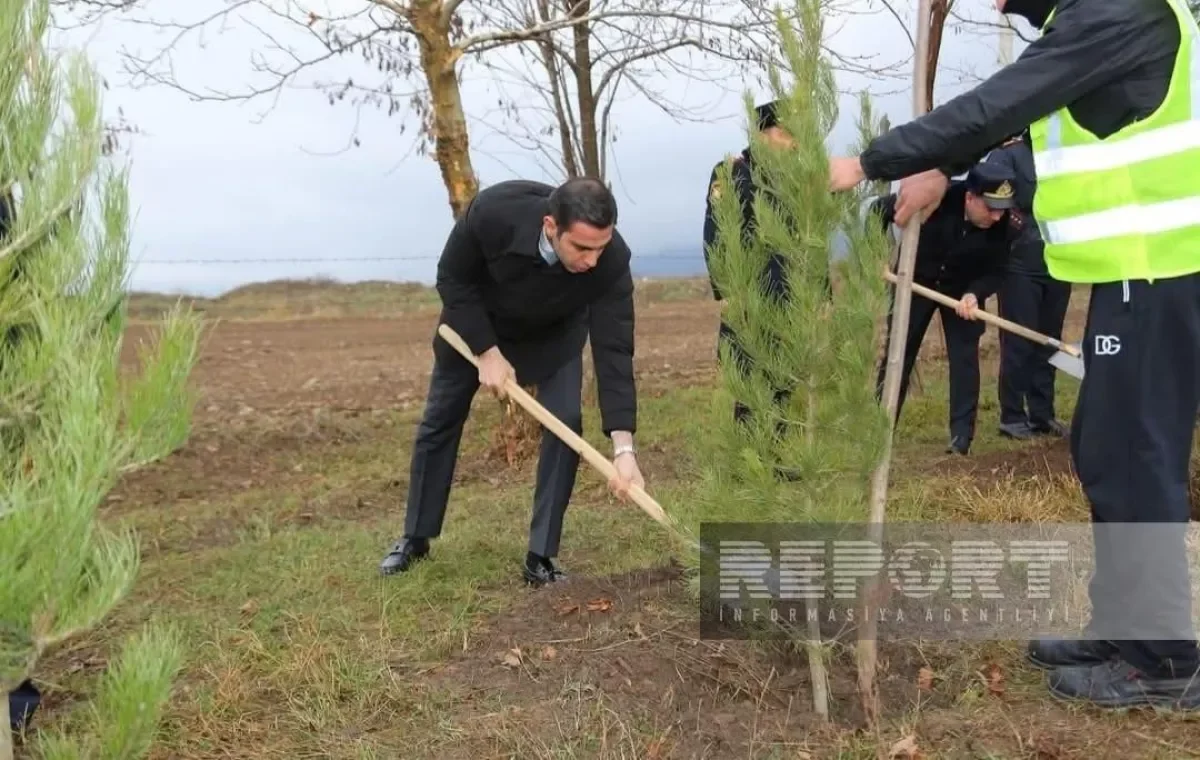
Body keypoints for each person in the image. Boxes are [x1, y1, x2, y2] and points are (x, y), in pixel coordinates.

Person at [828, 0, 1200, 710]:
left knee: (1135, 457)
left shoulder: (1116, 12)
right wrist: (946, 169)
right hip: (1143, 274)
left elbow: (997, 103)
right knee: (1104, 447)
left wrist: (871, 162)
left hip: (1165, 270)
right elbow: (1025, 118)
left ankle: (1164, 661)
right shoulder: (1104, 23)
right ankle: (1126, 631)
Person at [378, 177, 645, 587]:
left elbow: (614, 348)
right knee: (440, 421)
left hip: (553, 338)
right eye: (582, 248)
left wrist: (623, 447)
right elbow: (452, 278)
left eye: (600, 247)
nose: (592, 260)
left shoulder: (610, 261)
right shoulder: (494, 213)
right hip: (475, 329)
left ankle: (541, 554)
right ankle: (416, 536)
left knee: (566, 423)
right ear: (551, 226)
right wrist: (486, 351)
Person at [867, 162, 1016, 456]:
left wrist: (975, 294)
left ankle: (961, 438)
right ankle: (878, 431)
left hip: (961, 292)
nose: (997, 216)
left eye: (1002, 208)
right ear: (970, 197)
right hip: (916, 281)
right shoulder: (935, 196)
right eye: (990, 208)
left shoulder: (1004, 224)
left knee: (965, 358)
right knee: (900, 352)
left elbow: (998, 270)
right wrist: (876, 254)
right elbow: (877, 211)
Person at [701, 100, 797, 424]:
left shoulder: (795, 179)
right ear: (762, 134)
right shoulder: (730, 172)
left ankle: (780, 459)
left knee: (786, 381)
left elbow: (812, 241)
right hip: (748, 294)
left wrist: (822, 294)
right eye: (786, 133)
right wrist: (725, 290)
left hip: (790, 294)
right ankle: (750, 463)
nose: (794, 142)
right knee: (749, 379)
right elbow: (715, 234)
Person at [984, 130, 1072, 440]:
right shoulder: (1009, 155)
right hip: (1020, 265)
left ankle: (1042, 414)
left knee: (1050, 341)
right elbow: (990, 193)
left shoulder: (1065, 153)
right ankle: (1012, 415)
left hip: (1059, 261)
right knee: (1019, 339)